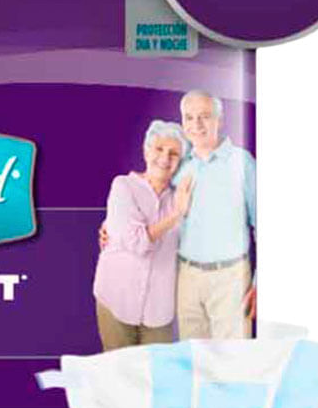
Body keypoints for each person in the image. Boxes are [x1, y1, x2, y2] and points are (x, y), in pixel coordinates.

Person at [93, 121, 192, 350]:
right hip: (116, 296)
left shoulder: (182, 197)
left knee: (156, 370)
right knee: (118, 368)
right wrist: (176, 215)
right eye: (159, 149)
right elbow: (136, 242)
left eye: (174, 153)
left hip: (159, 308)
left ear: (180, 162)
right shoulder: (123, 186)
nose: (165, 158)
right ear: (146, 151)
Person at [172, 90, 257, 339]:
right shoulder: (180, 165)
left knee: (232, 358)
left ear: (219, 120)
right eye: (189, 117)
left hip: (231, 279)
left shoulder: (242, 163)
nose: (196, 125)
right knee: (192, 356)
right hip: (187, 278)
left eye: (205, 116)